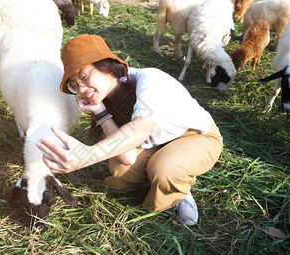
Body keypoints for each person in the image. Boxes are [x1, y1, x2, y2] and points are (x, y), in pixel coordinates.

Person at [37, 34, 223, 226]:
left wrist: (86, 155)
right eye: (74, 85)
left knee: (165, 168)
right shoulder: (106, 97)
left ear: (106, 65)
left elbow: (139, 129)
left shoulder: (150, 81)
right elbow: (128, 157)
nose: (82, 89)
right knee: (120, 171)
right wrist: (100, 111)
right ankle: (160, 178)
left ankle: (174, 192)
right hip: (156, 140)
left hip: (195, 135)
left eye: (84, 77)